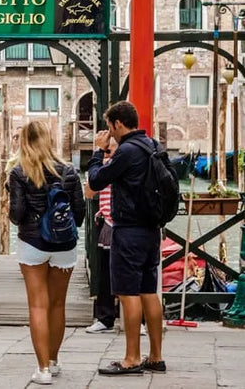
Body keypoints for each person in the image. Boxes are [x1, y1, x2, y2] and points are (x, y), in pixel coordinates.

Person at [88, 100, 166, 375]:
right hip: (151, 231)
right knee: (148, 292)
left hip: (128, 230)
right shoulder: (153, 145)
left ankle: (131, 357)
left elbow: (96, 181)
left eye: (110, 127)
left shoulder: (127, 151)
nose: (109, 132)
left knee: (128, 293)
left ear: (118, 124)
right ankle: (156, 356)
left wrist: (98, 152)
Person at [8, 121, 85, 385]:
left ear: (24, 141)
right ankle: (53, 360)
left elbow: (16, 216)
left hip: (32, 243)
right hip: (64, 244)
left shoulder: (19, 172)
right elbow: (80, 215)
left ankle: (42, 370)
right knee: (58, 304)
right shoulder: (70, 171)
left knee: (38, 305)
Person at [84, 137, 117, 334]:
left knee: (125, 274)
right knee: (106, 274)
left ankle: (134, 320)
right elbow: (89, 192)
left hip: (124, 223)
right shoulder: (106, 167)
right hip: (108, 223)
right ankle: (106, 317)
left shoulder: (119, 163)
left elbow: (89, 190)